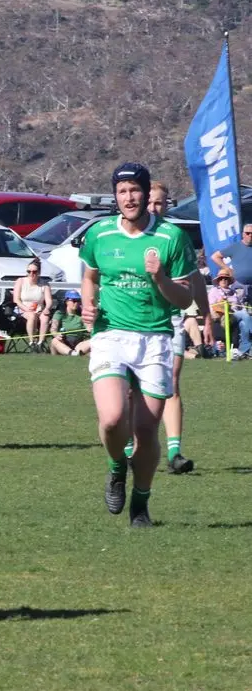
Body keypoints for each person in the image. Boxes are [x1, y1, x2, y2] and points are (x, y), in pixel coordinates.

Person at [80, 163, 195, 528]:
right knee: (113, 418)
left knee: (145, 431)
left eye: (135, 190)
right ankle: (116, 468)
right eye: (122, 191)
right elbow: (89, 276)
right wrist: (88, 303)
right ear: (115, 196)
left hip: (155, 339)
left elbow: (183, 299)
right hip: (111, 335)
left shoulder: (171, 238)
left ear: (147, 194)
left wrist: (159, 277)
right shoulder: (99, 234)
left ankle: (140, 504)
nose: (129, 198)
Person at [149, 180, 209, 475]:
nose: (153, 208)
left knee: (171, 382)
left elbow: (194, 277)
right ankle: (130, 448)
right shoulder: (122, 234)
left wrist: (205, 314)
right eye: (149, 202)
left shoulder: (175, 236)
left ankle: (174, 453)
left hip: (171, 318)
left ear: (167, 204)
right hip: (133, 321)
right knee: (134, 388)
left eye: (158, 203)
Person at [12, 258, 53, 349]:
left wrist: (47, 308)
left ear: (39, 272)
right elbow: (16, 300)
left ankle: (41, 342)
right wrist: (26, 309)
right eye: (29, 271)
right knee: (31, 316)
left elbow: (49, 300)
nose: (31, 274)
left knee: (45, 317)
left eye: (34, 272)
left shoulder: (44, 284)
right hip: (23, 309)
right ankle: (32, 341)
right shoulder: (20, 281)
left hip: (39, 310)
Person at [50, 291, 92, 356]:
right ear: (66, 301)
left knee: (92, 341)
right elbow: (53, 329)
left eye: (78, 300)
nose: (76, 303)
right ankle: (72, 353)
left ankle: (75, 353)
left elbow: (89, 328)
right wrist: (56, 334)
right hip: (62, 342)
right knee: (54, 341)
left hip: (78, 343)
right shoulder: (59, 313)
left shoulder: (82, 315)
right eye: (74, 300)